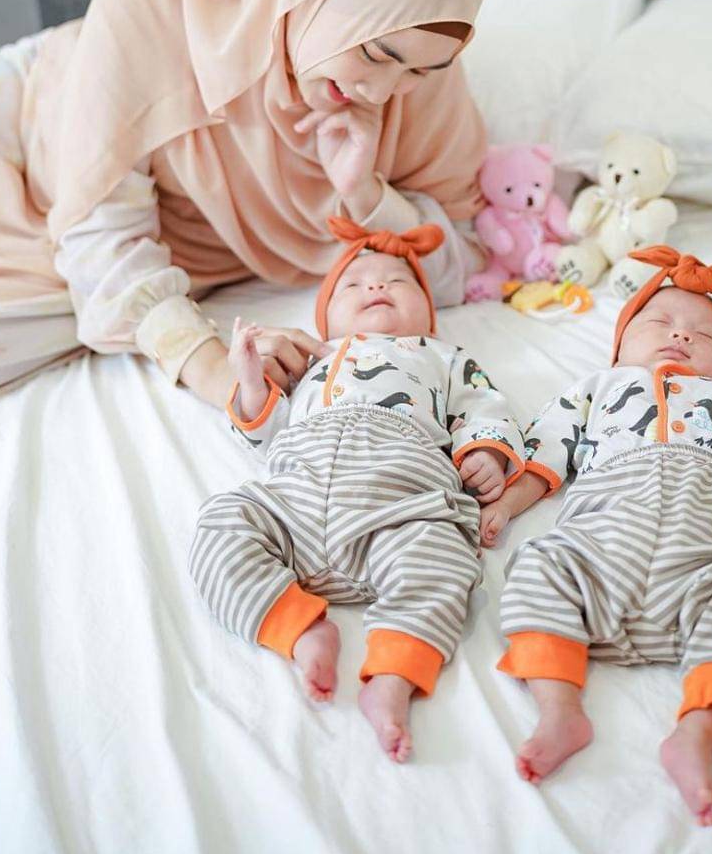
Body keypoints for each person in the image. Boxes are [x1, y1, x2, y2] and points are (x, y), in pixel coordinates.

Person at [0, 0, 497, 407]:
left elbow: (461, 259)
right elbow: (101, 241)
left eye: (419, 71)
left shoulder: (425, 57)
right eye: (373, 54)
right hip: (37, 125)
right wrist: (219, 373)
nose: (382, 92)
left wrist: (365, 194)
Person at [482, 245, 712, 824]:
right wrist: (508, 505)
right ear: (620, 345)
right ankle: (559, 708)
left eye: (703, 334)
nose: (681, 335)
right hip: (604, 533)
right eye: (660, 322)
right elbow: (546, 452)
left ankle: (699, 731)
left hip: (710, 539)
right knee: (540, 567)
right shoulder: (600, 388)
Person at [190, 217, 524, 762]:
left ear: (428, 313)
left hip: (400, 499)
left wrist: (486, 452)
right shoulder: (312, 360)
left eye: (398, 281)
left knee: (445, 566)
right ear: (325, 317)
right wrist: (251, 381)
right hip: (294, 499)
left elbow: (486, 407)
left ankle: (393, 676)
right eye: (354, 284)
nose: (376, 286)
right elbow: (263, 433)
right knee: (220, 525)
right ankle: (299, 629)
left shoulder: (441, 356)